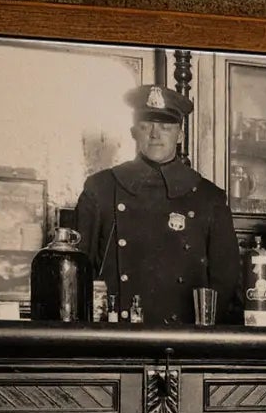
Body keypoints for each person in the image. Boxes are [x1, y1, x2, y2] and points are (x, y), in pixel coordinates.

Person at [74, 82, 240, 327]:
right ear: (133, 132)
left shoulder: (209, 198)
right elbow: (79, 271)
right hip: (116, 335)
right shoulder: (101, 189)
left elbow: (225, 283)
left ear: (180, 135)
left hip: (185, 339)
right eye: (146, 126)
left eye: (165, 127)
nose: (155, 134)